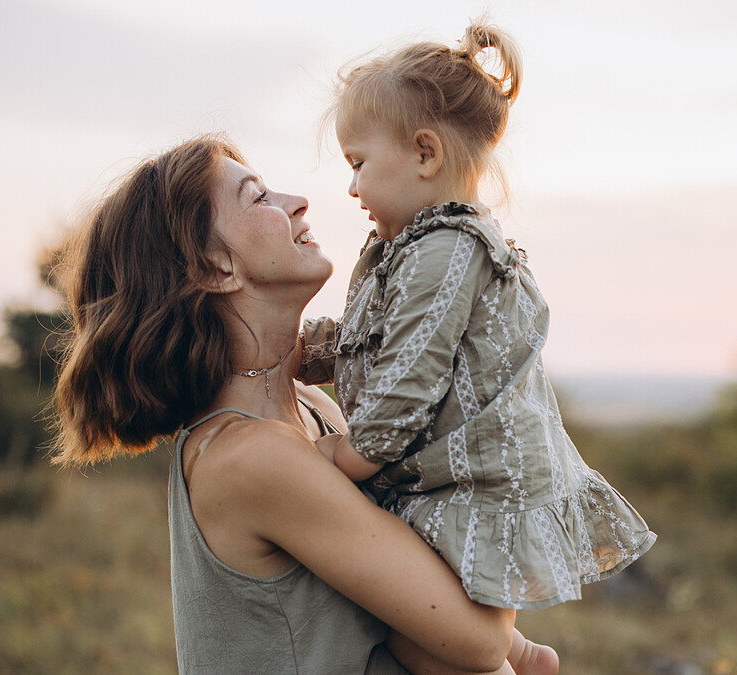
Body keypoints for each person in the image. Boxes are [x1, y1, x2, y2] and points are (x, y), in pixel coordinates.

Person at [51, 135, 527, 674]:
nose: (297, 201)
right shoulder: (251, 457)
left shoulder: (310, 406)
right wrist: (504, 449)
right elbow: (481, 640)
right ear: (215, 267)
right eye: (258, 198)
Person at [297, 19, 657, 669]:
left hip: (470, 482)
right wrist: (303, 353)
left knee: (416, 630)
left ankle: (512, 659)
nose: (351, 188)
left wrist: (347, 455)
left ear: (425, 154)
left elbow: (407, 381)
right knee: (422, 613)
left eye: (358, 164)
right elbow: (370, 340)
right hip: (438, 475)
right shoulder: (411, 250)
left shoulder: (445, 252)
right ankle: (524, 656)